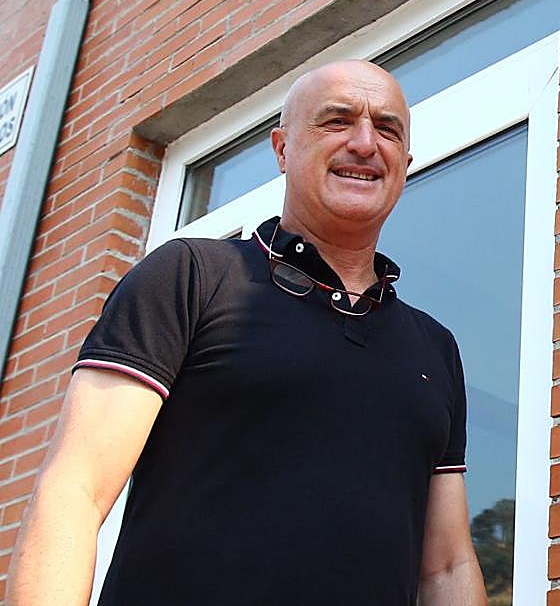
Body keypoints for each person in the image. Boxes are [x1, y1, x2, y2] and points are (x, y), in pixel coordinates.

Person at [10, 60, 486, 605]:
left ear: (405, 160)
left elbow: (446, 566)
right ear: (282, 149)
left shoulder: (435, 348)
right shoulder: (191, 275)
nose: (363, 142)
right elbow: (75, 490)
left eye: (386, 128)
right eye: (336, 121)